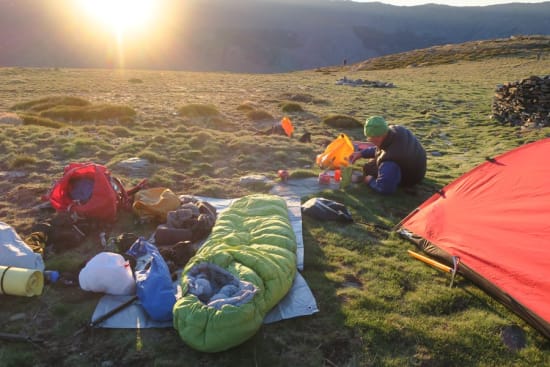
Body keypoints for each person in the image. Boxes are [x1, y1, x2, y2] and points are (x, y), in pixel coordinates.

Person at [349, 116, 426, 194]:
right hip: (416, 165)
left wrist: (370, 181)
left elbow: (385, 189)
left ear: (379, 137)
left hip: (411, 177)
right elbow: (381, 148)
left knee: (369, 169)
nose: (370, 141)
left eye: (371, 138)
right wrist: (361, 153)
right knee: (369, 166)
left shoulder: (391, 160)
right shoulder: (395, 131)